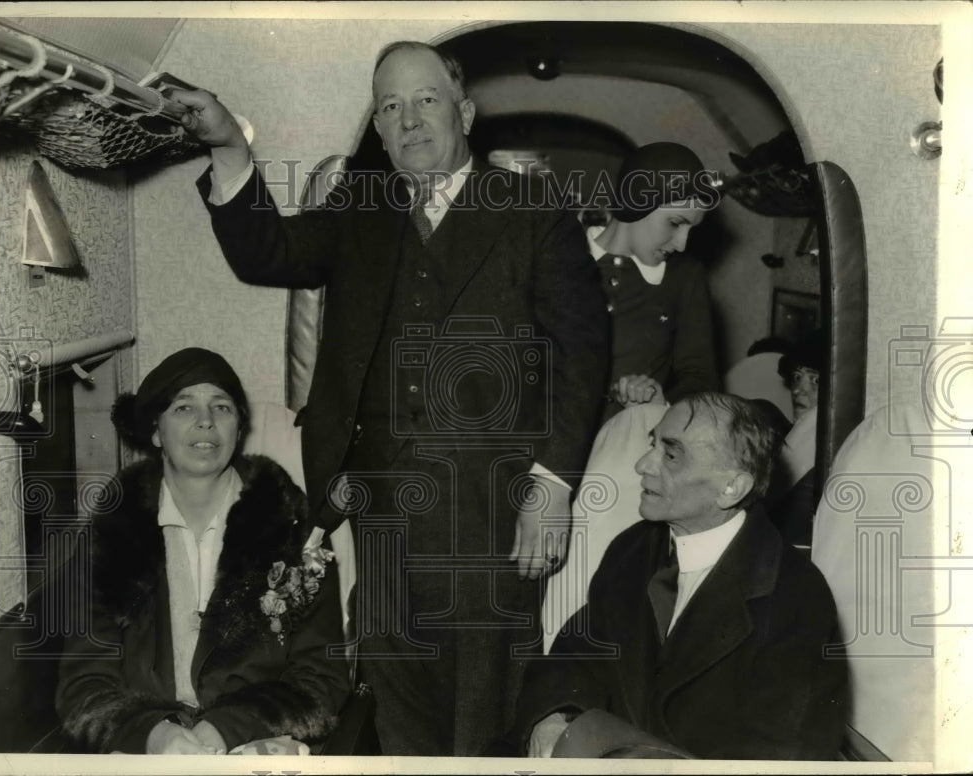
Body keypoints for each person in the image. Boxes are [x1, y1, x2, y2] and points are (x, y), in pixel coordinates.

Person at [170, 41, 608, 755]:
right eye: (389, 107)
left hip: (488, 509)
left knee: (480, 707)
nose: (408, 120)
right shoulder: (360, 210)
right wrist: (227, 147)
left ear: (464, 112)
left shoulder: (533, 210)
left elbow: (581, 354)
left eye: (426, 99)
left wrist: (552, 485)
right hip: (378, 507)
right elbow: (267, 253)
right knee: (393, 697)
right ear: (377, 128)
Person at [510, 392, 848, 760]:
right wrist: (555, 714)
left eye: (670, 455)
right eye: (652, 444)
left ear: (731, 488)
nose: (642, 465)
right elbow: (577, 654)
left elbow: (783, 754)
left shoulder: (796, 597)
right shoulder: (633, 548)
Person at [55, 348, 349, 754]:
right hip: (147, 745)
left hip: (256, 737)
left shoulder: (291, 525)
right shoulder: (112, 530)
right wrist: (154, 734)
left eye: (221, 407)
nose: (205, 421)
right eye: (183, 407)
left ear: (238, 426)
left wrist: (227, 728)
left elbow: (323, 675)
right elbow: (83, 683)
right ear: (156, 431)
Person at [588, 143, 719, 422]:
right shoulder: (558, 256)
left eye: (690, 230)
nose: (682, 244)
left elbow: (700, 377)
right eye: (675, 223)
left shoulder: (685, 277)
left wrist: (662, 402)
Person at [767, 330, 824, 546]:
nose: (798, 390)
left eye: (815, 379)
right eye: (797, 377)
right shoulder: (792, 429)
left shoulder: (814, 426)